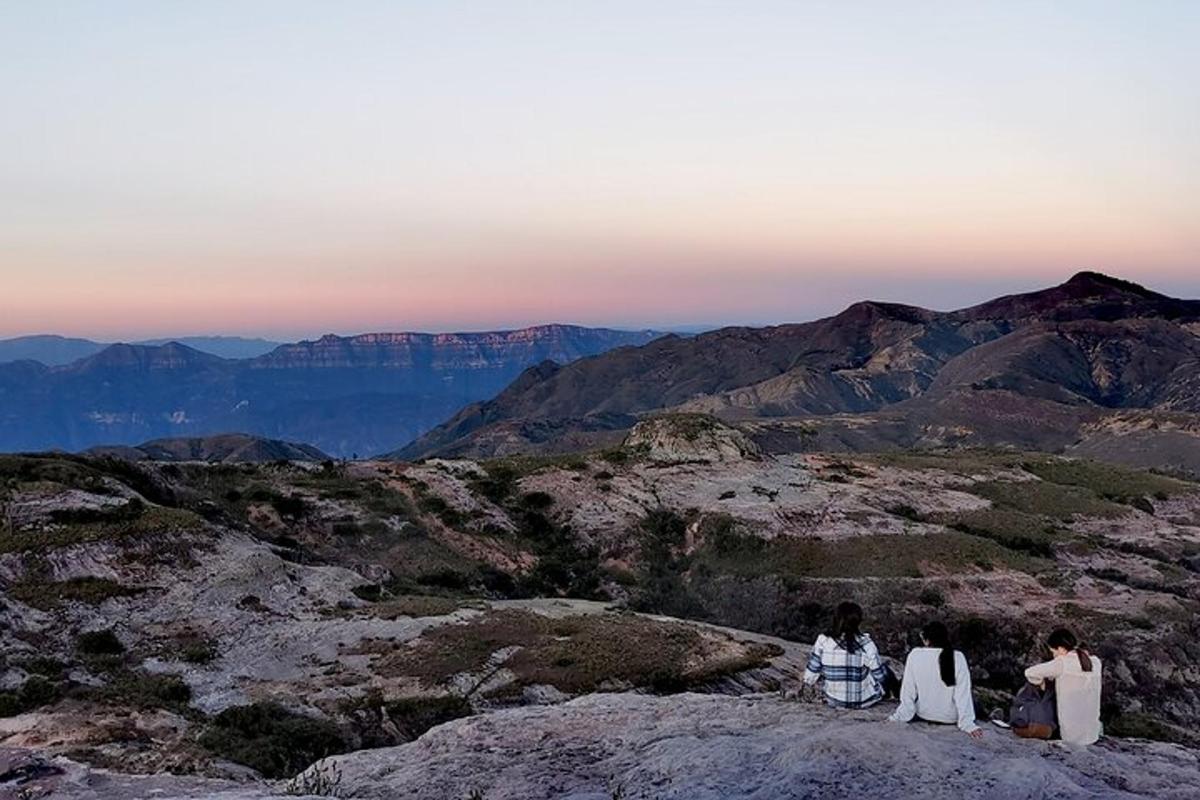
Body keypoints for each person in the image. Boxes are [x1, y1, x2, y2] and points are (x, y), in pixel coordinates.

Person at [888, 621, 983, 738]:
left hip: (924, 713)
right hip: (951, 717)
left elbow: (908, 690)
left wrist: (900, 716)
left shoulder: (915, 655)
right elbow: (962, 695)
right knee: (977, 704)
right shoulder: (958, 657)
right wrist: (968, 724)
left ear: (926, 639)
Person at [1024, 628, 1102, 745]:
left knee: (1036, 684)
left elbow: (1030, 673)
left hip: (1071, 737)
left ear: (1060, 648)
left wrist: (1042, 683)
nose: (1054, 656)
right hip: (1092, 735)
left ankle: (1029, 721)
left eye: (1053, 652)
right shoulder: (1095, 662)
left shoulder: (1062, 663)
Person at [803, 601, 887, 708]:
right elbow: (880, 676)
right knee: (883, 669)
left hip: (834, 700)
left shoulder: (823, 640)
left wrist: (808, 684)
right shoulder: (866, 643)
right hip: (863, 701)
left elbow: (812, 672)